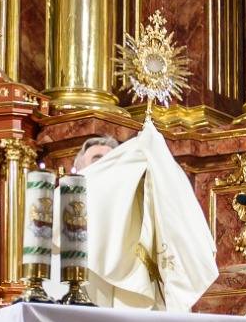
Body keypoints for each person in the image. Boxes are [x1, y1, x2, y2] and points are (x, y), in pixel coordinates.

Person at [71, 121, 218, 311]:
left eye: (112, 160)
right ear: (79, 171)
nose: (107, 167)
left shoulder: (143, 208)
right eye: (98, 161)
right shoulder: (70, 210)